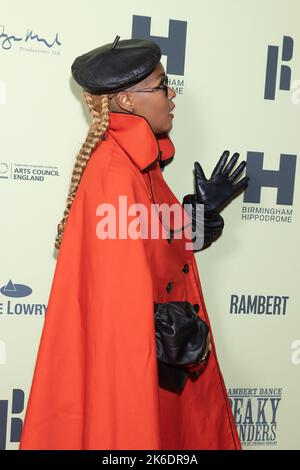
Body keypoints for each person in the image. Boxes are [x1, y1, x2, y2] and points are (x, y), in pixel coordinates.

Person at [19, 36, 248, 450]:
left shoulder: (138, 164)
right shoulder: (115, 172)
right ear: (127, 101)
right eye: (162, 86)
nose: (171, 94)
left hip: (161, 369)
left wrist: (201, 212)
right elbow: (118, 317)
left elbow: (154, 241)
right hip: (139, 378)